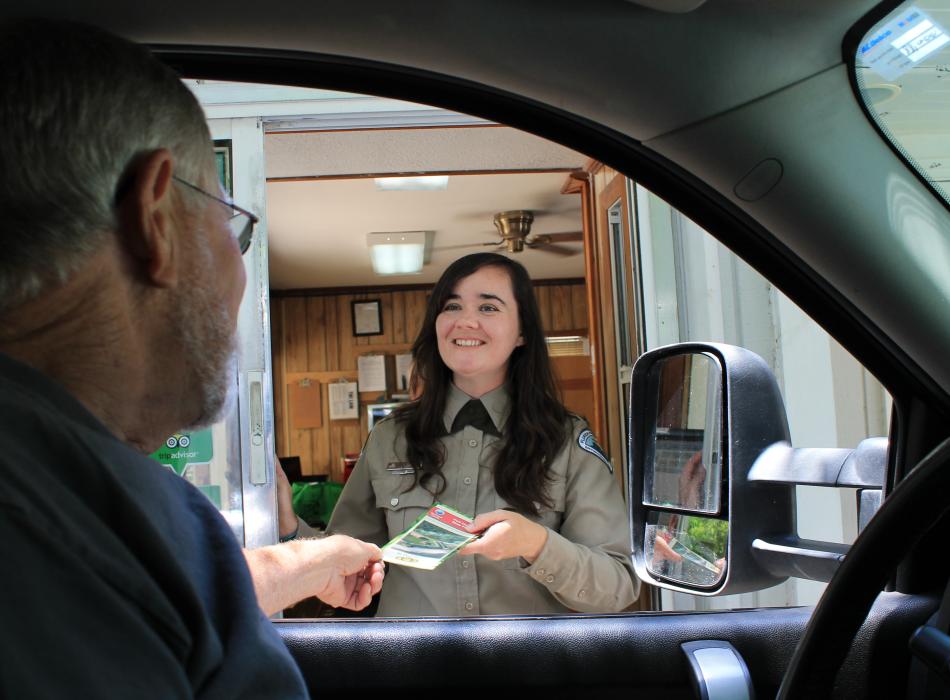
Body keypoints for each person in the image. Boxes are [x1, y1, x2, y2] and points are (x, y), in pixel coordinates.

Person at [0, 19, 382, 698]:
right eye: (229, 223)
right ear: (154, 217)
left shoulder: (71, 500)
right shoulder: (68, 517)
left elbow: (159, 584)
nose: (237, 273)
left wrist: (305, 562)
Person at [328, 252, 640, 616]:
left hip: (530, 668)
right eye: (452, 306)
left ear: (522, 331)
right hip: (410, 666)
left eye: (489, 308)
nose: (466, 321)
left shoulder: (567, 441)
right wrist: (289, 527)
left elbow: (617, 586)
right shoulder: (388, 437)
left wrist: (537, 544)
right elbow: (342, 558)